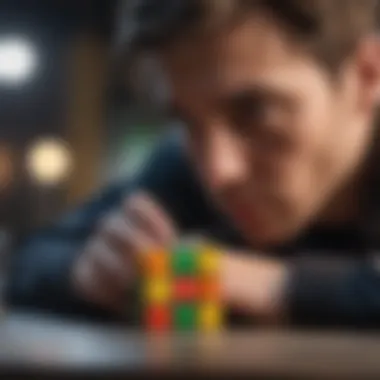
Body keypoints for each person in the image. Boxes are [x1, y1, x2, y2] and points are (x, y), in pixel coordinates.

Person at [5, 0, 380, 328]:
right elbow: (32, 258)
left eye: (256, 111)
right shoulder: (184, 163)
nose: (217, 172)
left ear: (367, 75)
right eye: (186, 121)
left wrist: (275, 286)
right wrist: (87, 272)